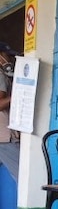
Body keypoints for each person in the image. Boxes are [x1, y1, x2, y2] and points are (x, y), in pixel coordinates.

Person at [0, 42, 21, 185]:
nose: (11, 60)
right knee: (23, 177)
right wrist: (18, 94)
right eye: (8, 56)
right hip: (4, 138)